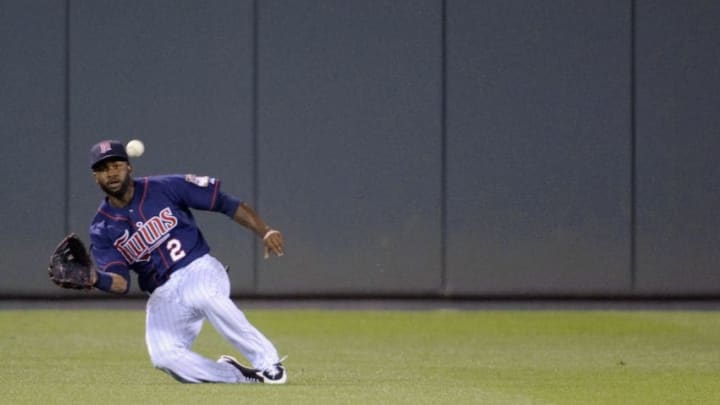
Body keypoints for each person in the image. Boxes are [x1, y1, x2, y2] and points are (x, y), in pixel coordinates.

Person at [86, 139, 287, 384]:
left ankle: (268, 363)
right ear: (96, 177)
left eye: (116, 165)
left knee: (205, 296)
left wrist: (264, 231)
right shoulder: (101, 228)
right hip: (162, 293)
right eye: (104, 169)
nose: (111, 173)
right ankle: (242, 377)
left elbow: (225, 203)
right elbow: (120, 283)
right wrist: (94, 278)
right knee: (164, 357)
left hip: (198, 269)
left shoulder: (164, 187)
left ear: (129, 167)